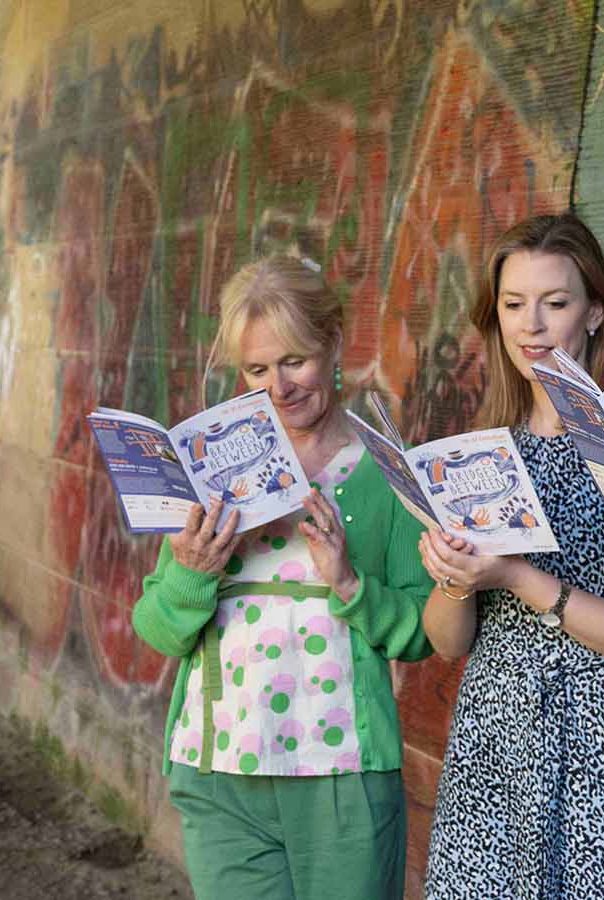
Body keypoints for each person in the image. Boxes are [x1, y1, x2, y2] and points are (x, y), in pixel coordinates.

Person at [131, 255, 436, 900]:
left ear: (332, 345)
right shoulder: (210, 470)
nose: (279, 387)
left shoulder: (385, 472)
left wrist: (350, 584)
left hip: (342, 775)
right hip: (217, 769)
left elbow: (424, 628)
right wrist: (193, 571)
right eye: (257, 369)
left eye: (294, 360)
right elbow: (157, 628)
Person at [419, 213, 604, 900]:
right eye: (514, 305)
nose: (531, 325)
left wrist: (516, 576)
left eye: (556, 303)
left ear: (596, 313)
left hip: (600, 750)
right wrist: (452, 580)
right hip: (494, 744)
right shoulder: (484, 454)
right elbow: (448, 642)